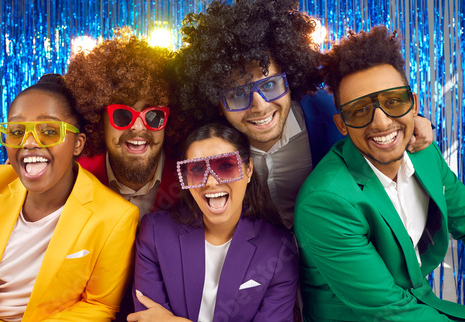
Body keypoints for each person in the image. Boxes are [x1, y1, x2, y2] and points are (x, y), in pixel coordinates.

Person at [174, 0, 433, 229]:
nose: (260, 106)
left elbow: (382, 122)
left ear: (290, 77)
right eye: (238, 94)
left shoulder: (334, 113)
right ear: (218, 102)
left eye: (270, 84)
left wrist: (420, 122)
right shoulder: (207, 144)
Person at [294, 26, 465, 321]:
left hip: (418, 307)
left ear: (413, 104)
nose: (381, 122)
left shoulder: (424, 154)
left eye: (393, 101)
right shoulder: (324, 202)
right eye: (360, 110)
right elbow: (389, 311)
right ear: (342, 125)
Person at [0, 74, 138, 321]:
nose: (29, 143)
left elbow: (99, 306)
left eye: (48, 131)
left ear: (78, 144)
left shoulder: (115, 217)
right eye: (16, 131)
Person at [128, 123, 299, 322]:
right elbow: (145, 318)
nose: (211, 181)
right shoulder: (155, 233)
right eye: (198, 169)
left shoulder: (278, 248)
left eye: (226, 166)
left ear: (249, 169)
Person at [65, 28, 181, 219]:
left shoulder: (193, 182)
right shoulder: (74, 180)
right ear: (96, 118)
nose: (138, 126)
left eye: (153, 115)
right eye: (122, 114)